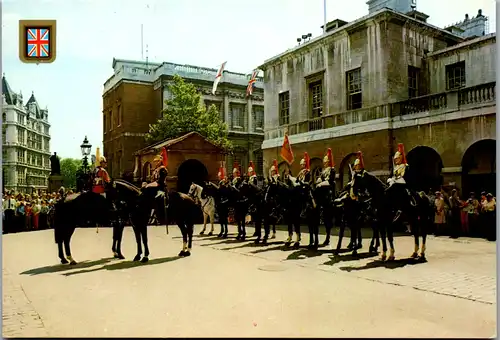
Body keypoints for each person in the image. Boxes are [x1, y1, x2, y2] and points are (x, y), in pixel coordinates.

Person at [316, 148, 336, 245]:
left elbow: (331, 181)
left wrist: (321, 183)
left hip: (330, 191)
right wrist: (319, 180)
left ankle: (328, 236)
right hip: (323, 192)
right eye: (324, 162)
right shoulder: (323, 171)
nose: (324, 164)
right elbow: (320, 178)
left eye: (326, 162)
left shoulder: (332, 170)